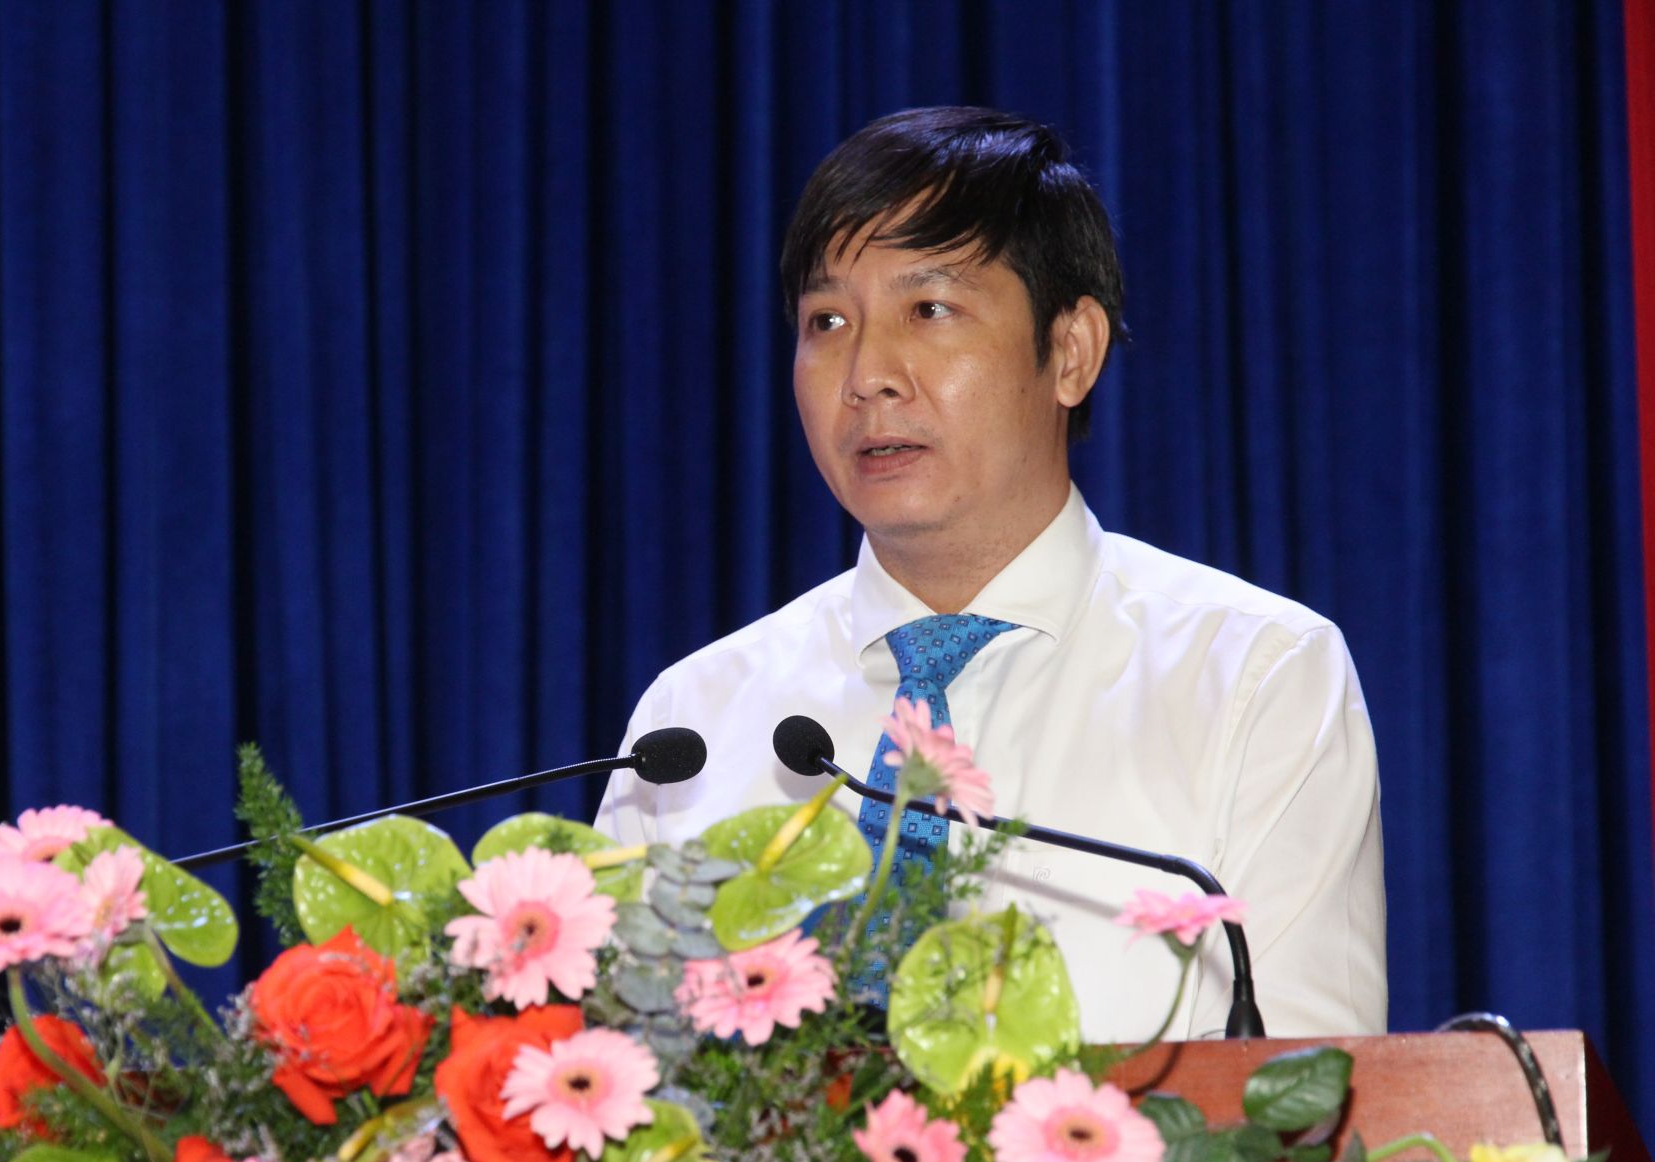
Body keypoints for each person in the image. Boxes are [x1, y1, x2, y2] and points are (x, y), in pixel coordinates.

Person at [594, 106, 1386, 1043]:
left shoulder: (1255, 679)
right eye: (827, 320)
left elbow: (1306, 1094)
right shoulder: (692, 724)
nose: (867, 374)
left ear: (1071, 351)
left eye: (929, 310)